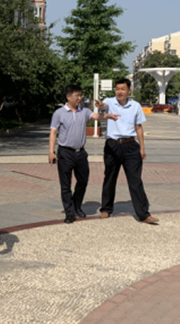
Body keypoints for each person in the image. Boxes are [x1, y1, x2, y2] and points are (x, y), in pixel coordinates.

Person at [49, 85, 120, 224]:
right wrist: (51, 151)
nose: (80, 98)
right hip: (65, 153)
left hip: (80, 153)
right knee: (65, 185)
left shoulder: (84, 111)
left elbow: (96, 116)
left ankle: (77, 205)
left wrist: (108, 116)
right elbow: (53, 132)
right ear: (68, 97)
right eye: (77, 96)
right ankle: (69, 213)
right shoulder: (59, 113)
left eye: (81, 95)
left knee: (83, 181)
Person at [95, 78, 159, 225]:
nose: (119, 92)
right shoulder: (110, 102)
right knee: (109, 178)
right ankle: (106, 209)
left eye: (123, 89)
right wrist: (100, 105)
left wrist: (142, 148)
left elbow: (139, 127)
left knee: (135, 180)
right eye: (117, 89)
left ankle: (143, 214)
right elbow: (103, 106)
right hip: (112, 145)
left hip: (130, 146)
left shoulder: (135, 106)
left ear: (129, 91)